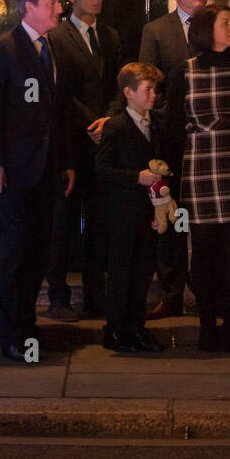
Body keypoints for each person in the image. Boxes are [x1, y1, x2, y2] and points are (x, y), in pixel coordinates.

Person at [91, 0, 208, 320]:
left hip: (210, 141)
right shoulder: (157, 30)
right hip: (173, 138)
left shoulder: (218, 25)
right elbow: (149, 83)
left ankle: (206, 292)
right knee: (172, 217)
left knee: (204, 219)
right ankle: (172, 292)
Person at [0, 0, 76, 361]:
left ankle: (28, 326)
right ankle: (10, 333)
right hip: (13, 173)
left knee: (37, 253)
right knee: (14, 255)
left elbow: (58, 114)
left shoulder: (54, 49)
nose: (59, 8)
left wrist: (65, 163)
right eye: (52, 2)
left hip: (46, 171)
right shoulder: (1, 49)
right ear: (28, 7)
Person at [167, 4, 230, 353]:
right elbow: (172, 126)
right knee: (205, 251)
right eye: (226, 23)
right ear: (206, 29)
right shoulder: (183, 72)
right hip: (201, 168)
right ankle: (207, 323)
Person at [46, 0, 121, 320]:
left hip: (105, 142)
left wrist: (108, 118)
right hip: (71, 143)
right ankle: (58, 296)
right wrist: (90, 121)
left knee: (100, 222)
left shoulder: (110, 36)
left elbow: (119, 85)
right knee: (63, 222)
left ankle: (95, 295)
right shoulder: (57, 37)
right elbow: (60, 93)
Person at [96, 63, 175, 354]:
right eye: (148, 90)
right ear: (129, 93)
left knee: (142, 274)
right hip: (122, 214)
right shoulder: (115, 126)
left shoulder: (155, 125)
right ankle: (116, 330)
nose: (153, 95)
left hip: (147, 214)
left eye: (155, 89)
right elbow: (102, 170)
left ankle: (137, 328)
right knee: (121, 275)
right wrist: (136, 178)